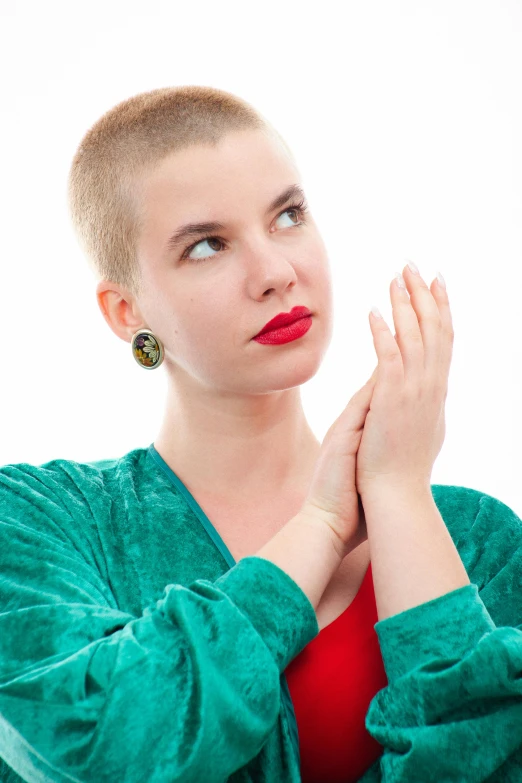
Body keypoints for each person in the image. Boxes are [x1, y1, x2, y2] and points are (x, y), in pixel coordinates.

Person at [0, 85, 521, 783]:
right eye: (208, 245)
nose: (277, 273)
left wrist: (397, 493)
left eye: (288, 214)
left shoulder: (475, 539)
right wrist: (325, 522)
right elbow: (102, 749)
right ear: (127, 311)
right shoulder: (40, 520)